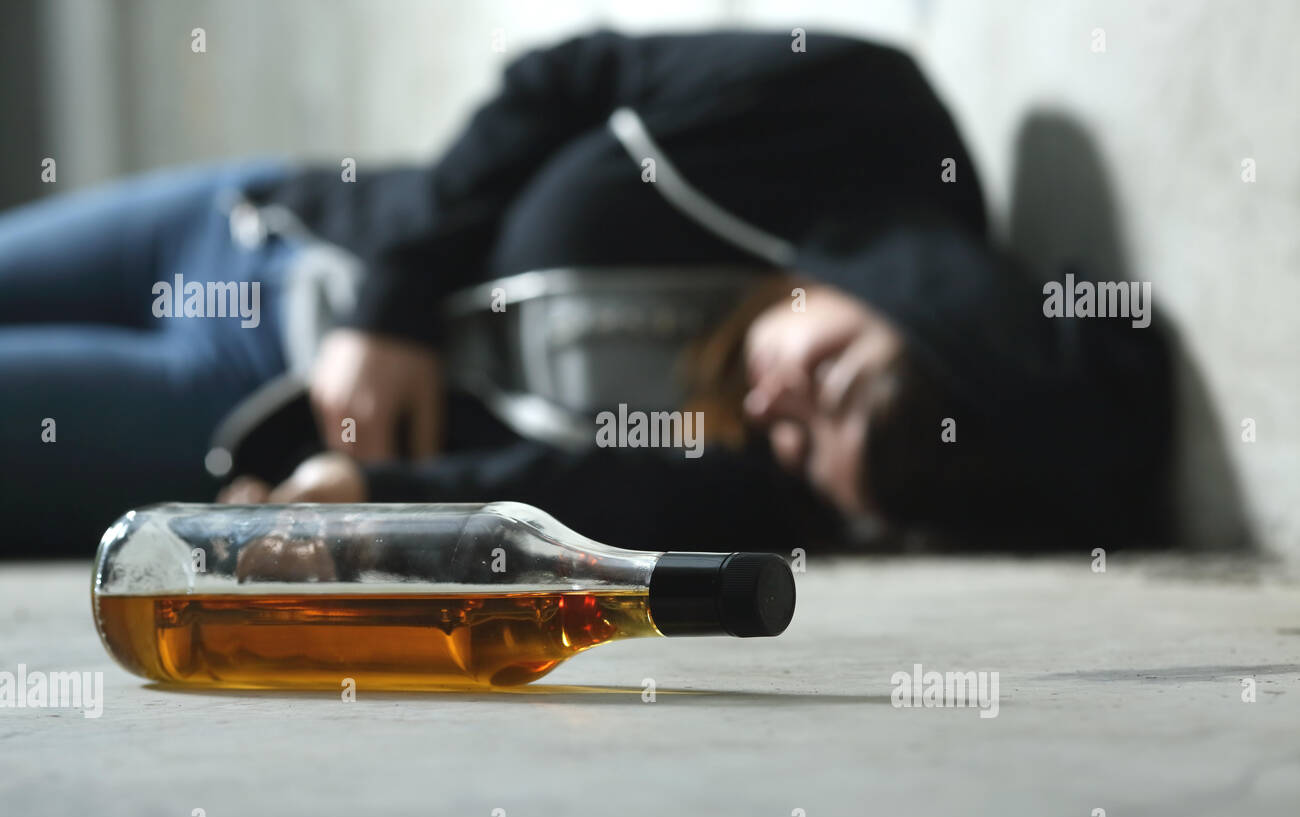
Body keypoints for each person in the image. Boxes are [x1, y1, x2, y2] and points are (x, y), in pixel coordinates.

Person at [0, 30, 1173, 556]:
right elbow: (567, 78)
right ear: (930, 303)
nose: (780, 411)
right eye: (833, 379)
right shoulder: (861, 120)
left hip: (229, 407)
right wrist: (392, 303)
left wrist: (367, 495)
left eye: (813, 450)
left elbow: (567, 495)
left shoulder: (758, 488)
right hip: (250, 225)